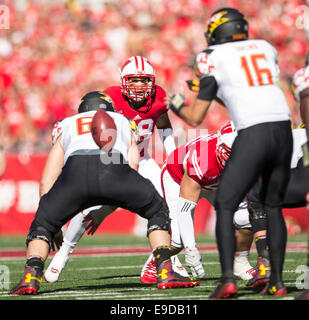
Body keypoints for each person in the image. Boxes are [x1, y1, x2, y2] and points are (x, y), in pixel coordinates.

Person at [10, 93, 198, 295]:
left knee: (42, 225)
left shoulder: (66, 124)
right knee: (158, 210)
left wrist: (50, 220)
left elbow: (47, 178)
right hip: (115, 168)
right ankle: (164, 270)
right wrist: (119, 196)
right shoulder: (124, 121)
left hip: (75, 175)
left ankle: (31, 276)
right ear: (110, 109)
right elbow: (132, 166)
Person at [168, 8, 293, 299]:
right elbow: (247, 92)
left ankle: (227, 280)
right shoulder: (266, 48)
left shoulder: (210, 57)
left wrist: (176, 103)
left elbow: (196, 117)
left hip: (254, 132)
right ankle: (276, 280)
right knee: (273, 206)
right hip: (282, 128)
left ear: (216, 32)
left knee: (225, 203)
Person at [44, 56, 184, 283]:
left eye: (144, 80)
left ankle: (165, 261)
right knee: (89, 206)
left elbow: (164, 126)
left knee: (166, 205)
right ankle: (63, 254)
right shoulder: (110, 98)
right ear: (123, 81)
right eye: (134, 80)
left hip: (142, 158)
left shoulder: (158, 95)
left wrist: (172, 157)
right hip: (110, 157)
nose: (139, 86)